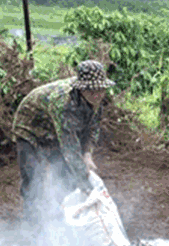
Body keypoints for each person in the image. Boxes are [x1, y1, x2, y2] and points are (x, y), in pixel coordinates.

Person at [12, 59, 115, 223]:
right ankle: (31, 223)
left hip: (54, 129)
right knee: (33, 177)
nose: (97, 94)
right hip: (30, 127)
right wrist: (87, 188)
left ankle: (61, 216)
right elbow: (70, 148)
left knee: (65, 174)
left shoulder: (96, 100)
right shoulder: (63, 103)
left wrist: (87, 155)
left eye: (100, 89)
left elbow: (93, 128)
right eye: (91, 90)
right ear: (81, 88)